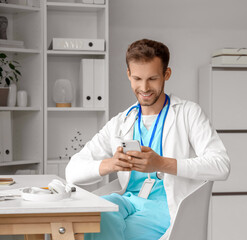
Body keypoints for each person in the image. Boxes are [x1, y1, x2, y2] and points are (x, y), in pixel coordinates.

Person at [66, 39, 230, 240]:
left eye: (152, 78)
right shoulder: (120, 122)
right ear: (128, 75)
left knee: (122, 234)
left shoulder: (189, 113)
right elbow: (72, 171)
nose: (144, 88)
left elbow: (221, 165)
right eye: (137, 78)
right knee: (93, 220)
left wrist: (162, 163)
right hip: (128, 201)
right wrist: (110, 165)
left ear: (166, 75)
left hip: (165, 208)